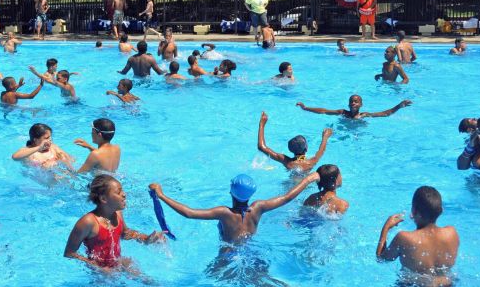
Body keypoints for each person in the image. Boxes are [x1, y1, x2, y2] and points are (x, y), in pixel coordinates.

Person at [147, 172, 319, 245]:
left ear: (231, 191)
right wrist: (309, 179)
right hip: (251, 248)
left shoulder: (224, 213)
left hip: (229, 251)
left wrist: (161, 195)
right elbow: (287, 197)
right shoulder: (258, 207)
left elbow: (189, 213)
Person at [65, 175, 165, 269]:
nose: (124, 194)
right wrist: (97, 267)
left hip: (118, 262)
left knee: (149, 281)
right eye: (118, 192)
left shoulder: (118, 213)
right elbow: (69, 253)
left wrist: (147, 238)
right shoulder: (88, 222)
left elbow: (126, 234)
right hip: (99, 270)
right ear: (104, 199)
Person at [376, 186, 459, 286]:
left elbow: (381, 258)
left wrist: (386, 228)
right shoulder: (452, 233)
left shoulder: (405, 238)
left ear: (413, 212)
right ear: (441, 210)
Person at [257, 112, 332, 172]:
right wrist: (325, 137)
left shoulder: (287, 161)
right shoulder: (311, 162)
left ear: (290, 149)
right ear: (306, 149)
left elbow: (261, 147)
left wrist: (262, 125)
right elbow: (321, 150)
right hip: (304, 187)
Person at [296, 94, 412, 119]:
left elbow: (384, 114)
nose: (353, 103)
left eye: (356, 101)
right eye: (351, 101)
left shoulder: (364, 115)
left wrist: (399, 106)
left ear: (361, 105)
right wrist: (305, 108)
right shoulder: (342, 112)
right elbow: (324, 111)